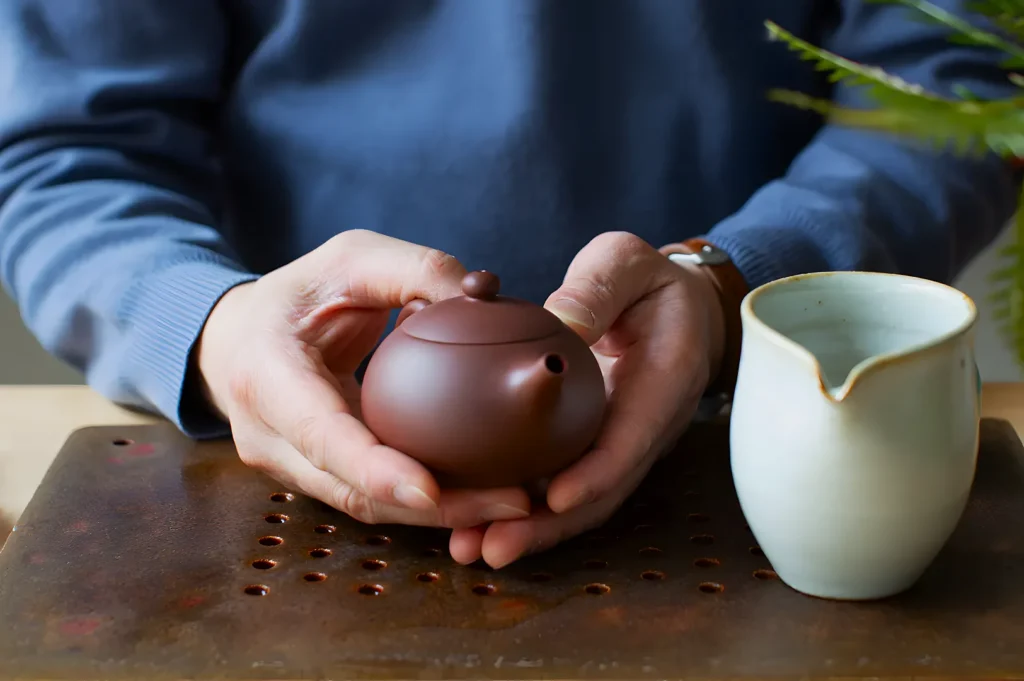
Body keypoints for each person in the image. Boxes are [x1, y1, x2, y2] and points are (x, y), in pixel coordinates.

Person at [0, 0, 1017, 568]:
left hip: (759, 438)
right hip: (273, 471)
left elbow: (959, 78)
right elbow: (64, 150)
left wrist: (732, 285)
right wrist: (211, 328)